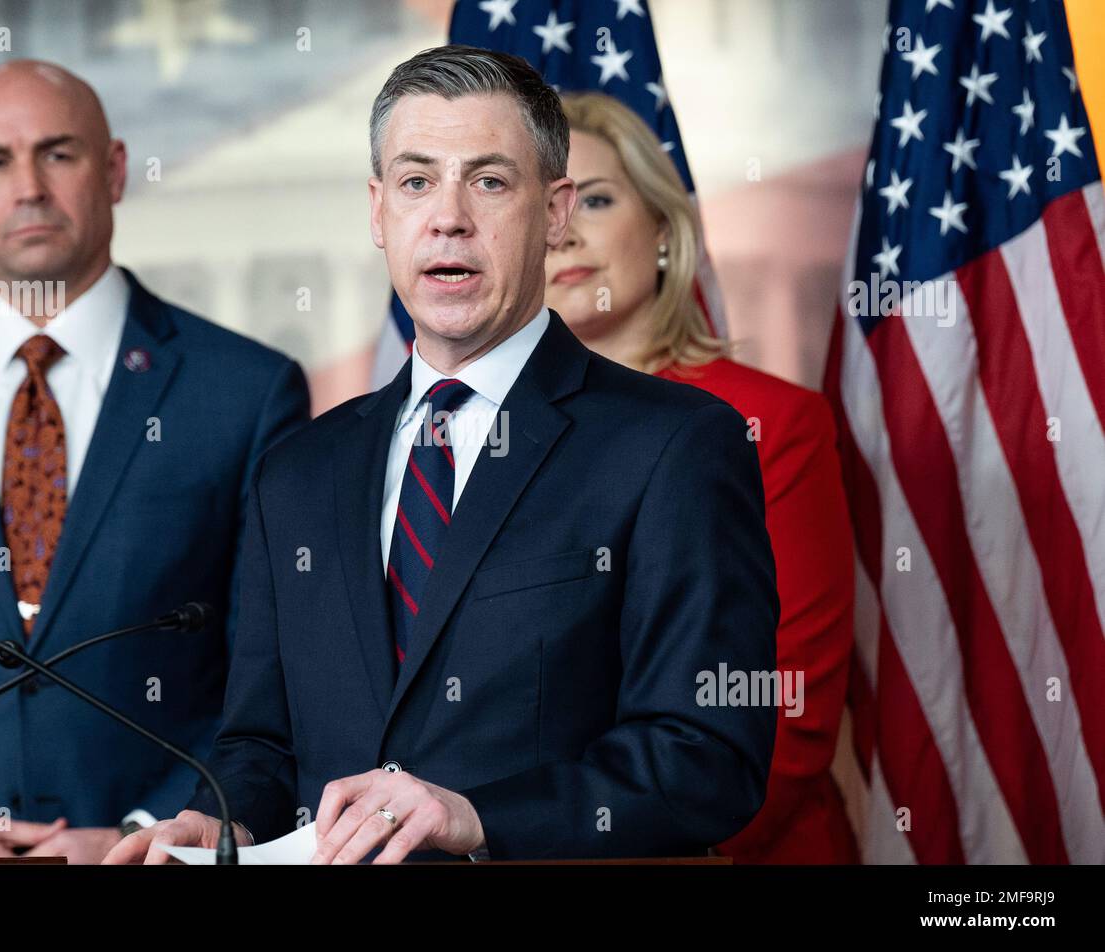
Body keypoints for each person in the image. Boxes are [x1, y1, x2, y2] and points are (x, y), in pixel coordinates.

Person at [105, 45, 777, 865]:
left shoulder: (674, 445)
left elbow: (708, 758)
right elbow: (263, 743)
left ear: (556, 213)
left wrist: (476, 817)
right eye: (418, 182)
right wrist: (227, 824)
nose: (448, 216)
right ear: (378, 211)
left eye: (490, 181)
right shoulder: (300, 470)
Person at [0, 61, 309, 862]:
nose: (29, 186)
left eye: (58, 152)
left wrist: (150, 839)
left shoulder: (247, 392)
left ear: (113, 170)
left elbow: (273, 676)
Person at [544, 91, 858, 864]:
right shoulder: (485, 436)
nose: (565, 230)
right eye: (543, 207)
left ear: (661, 229)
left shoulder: (772, 422)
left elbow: (785, 710)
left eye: (596, 197)